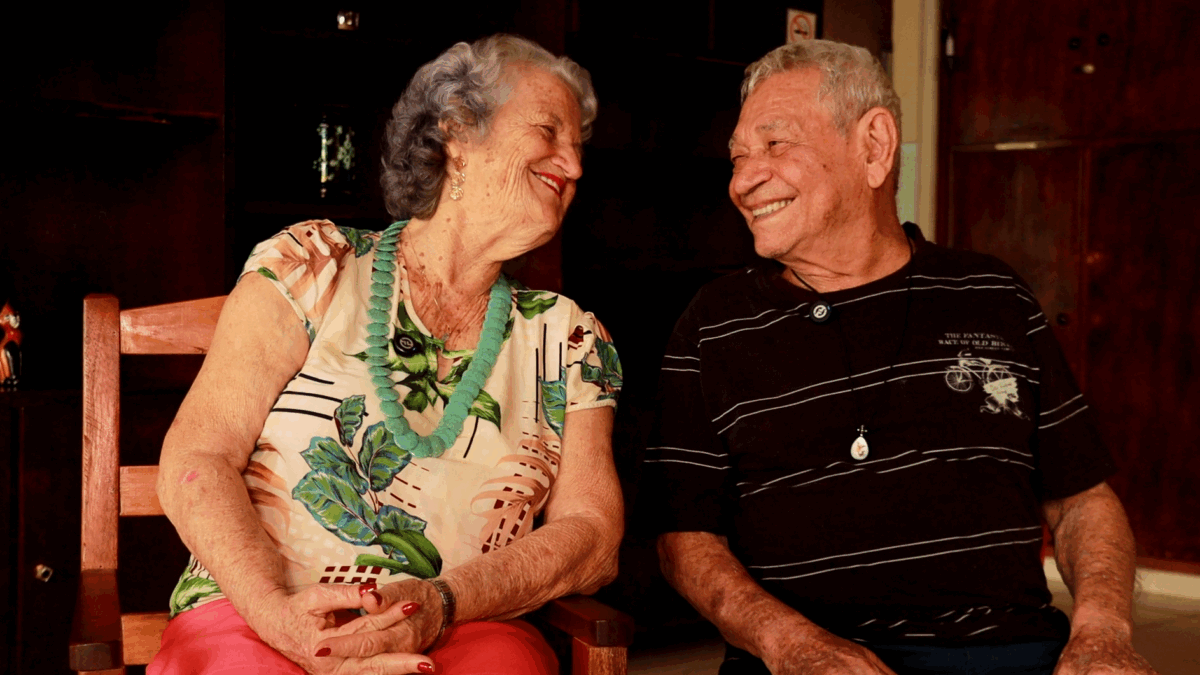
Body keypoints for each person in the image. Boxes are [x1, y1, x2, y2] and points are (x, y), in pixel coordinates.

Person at [643, 39, 1158, 675]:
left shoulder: (991, 294)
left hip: (1005, 651)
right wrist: (791, 645)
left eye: (775, 145)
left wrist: (1102, 634)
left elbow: (1082, 500)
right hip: (798, 660)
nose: (744, 180)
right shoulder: (712, 323)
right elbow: (684, 540)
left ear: (875, 146)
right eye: (739, 157)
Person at [152, 34, 624, 675]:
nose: (573, 166)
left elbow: (594, 537)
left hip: (462, 623)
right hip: (258, 618)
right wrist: (276, 615)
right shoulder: (311, 267)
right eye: (549, 131)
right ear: (458, 133)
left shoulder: (568, 338)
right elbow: (198, 454)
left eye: (579, 148)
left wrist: (444, 601)